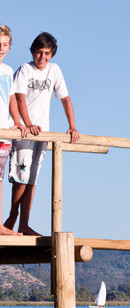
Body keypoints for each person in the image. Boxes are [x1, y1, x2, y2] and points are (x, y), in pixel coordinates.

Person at [4, 32, 80, 235]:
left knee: (33, 178)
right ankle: (12, 218)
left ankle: (24, 224)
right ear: (33, 52)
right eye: (39, 53)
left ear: (52, 54)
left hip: (43, 133)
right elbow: (19, 99)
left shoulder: (54, 71)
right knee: (21, 175)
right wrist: (27, 124)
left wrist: (72, 126)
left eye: (47, 53)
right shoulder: (25, 69)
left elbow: (65, 99)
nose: (42, 57)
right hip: (25, 132)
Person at [0, 25, 27, 235]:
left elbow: (11, 98)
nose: (1, 48)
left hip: (5, 131)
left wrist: (17, 121)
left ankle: (0, 225)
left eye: (5, 44)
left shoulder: (8, 71)